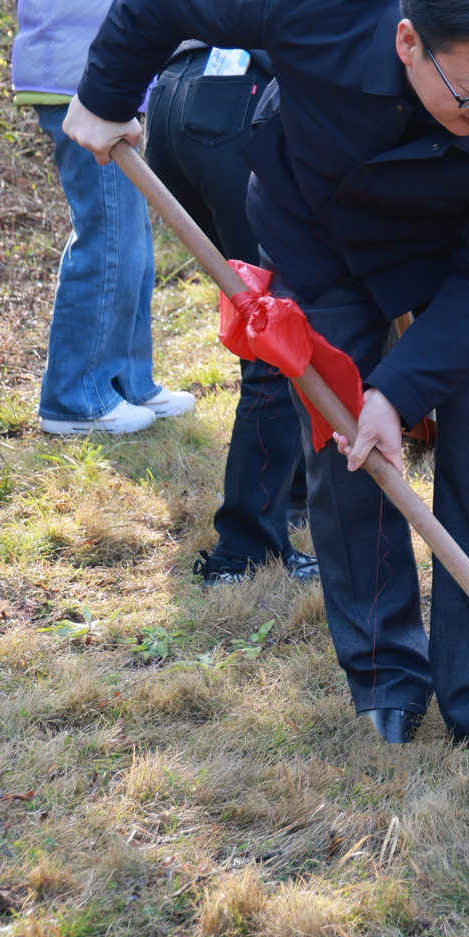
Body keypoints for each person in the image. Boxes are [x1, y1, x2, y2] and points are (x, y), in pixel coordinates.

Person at [66, 0, 469, 751]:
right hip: (323, 231)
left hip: (464, 268)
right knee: (344, 437)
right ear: (409, 42)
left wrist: (401, 392)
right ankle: (384, 675)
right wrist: (106, 95)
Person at [1, 0, 354, 436]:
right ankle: (74, 399)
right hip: (81, 76)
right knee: (108, 237)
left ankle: (127, 381)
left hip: (94, 70)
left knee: (128, 237)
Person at [145, 41, 316, 586]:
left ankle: (293, 496)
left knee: (269, 311)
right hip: (238, 102)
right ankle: (244, 551)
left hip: (171, 95)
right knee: (278, 332)